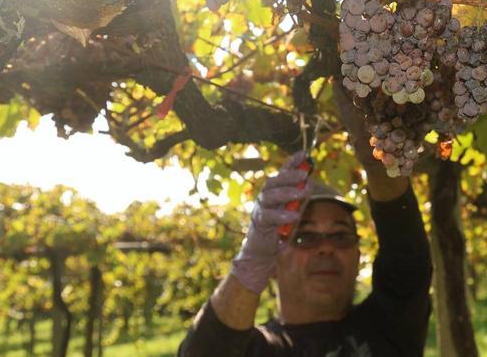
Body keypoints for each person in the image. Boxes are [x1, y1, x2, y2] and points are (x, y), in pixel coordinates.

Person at [177, 112, 432, 357]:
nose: (326, 248)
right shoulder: (260, 350)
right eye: (305, 237)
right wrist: (250, 264)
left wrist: (379, 158)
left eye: (340, 236)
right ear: (271, 262)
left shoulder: (390, 326)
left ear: (358, 255)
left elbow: (407, 257)